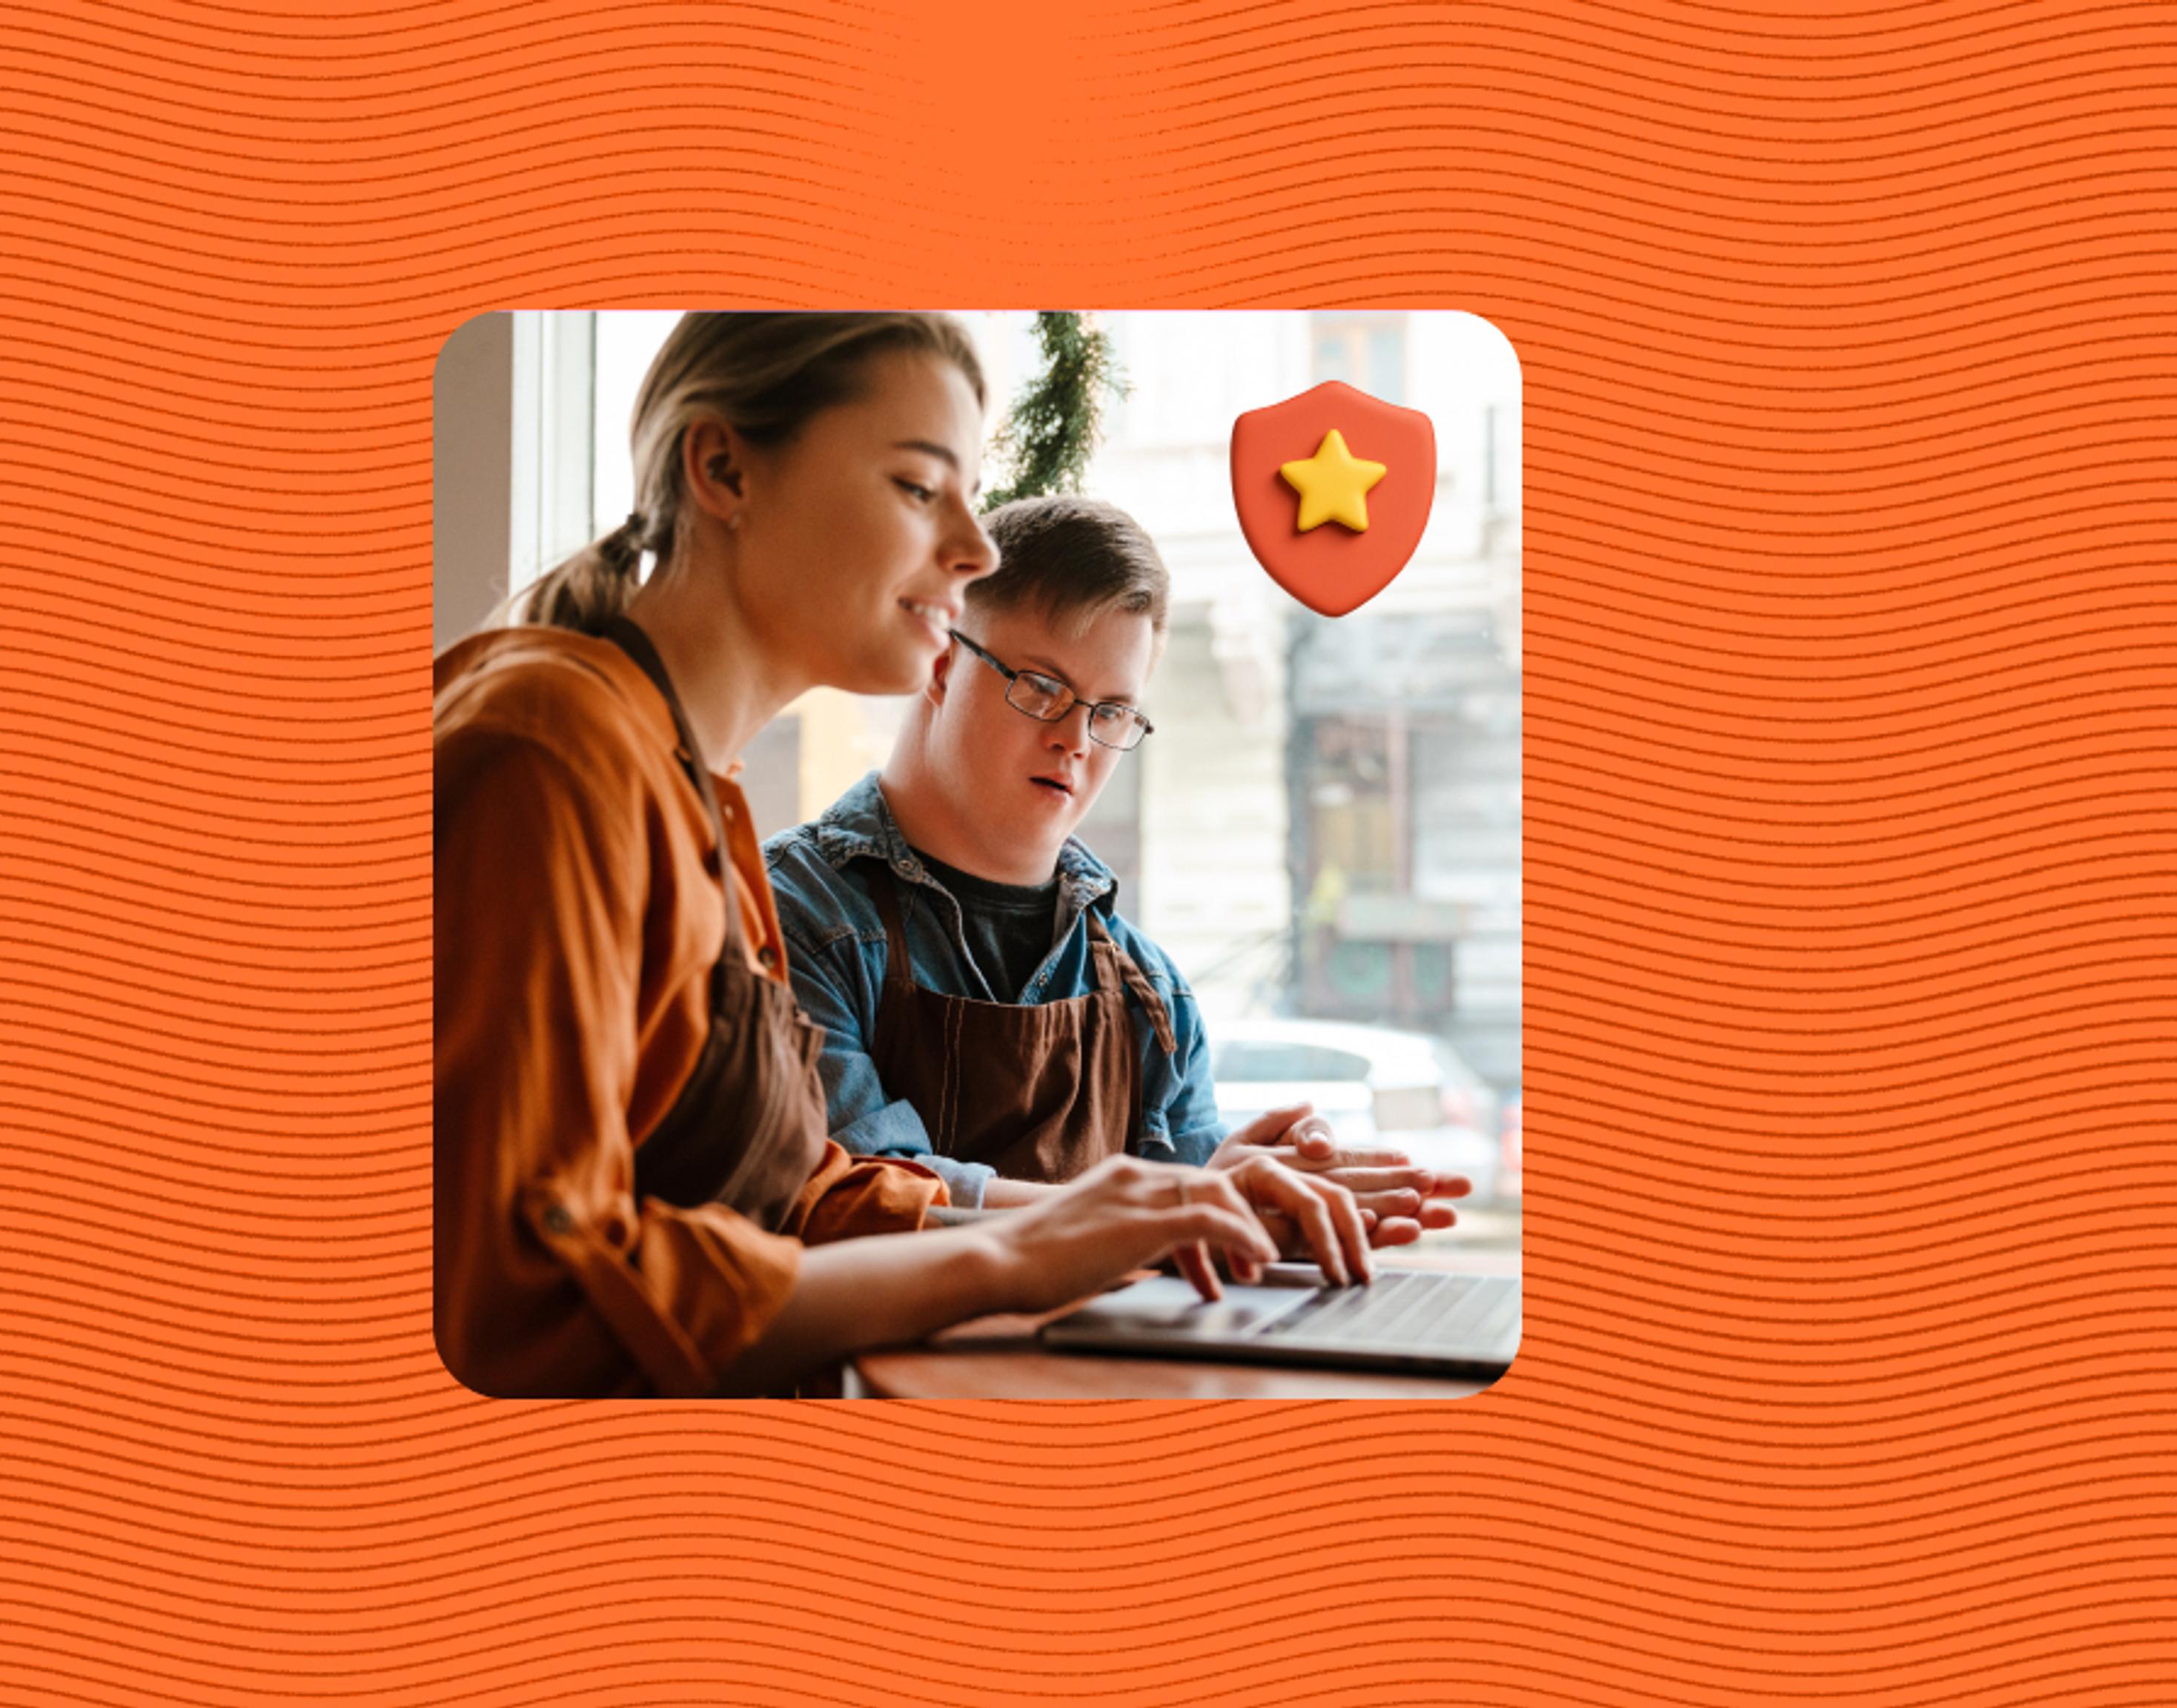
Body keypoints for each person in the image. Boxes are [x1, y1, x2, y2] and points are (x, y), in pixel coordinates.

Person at [434, 313, 1373, 1400]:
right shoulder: (550, 749)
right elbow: (519, 1292)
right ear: (725, 467)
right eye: (923, 488)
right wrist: (1008, 1256)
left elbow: (802, 1197)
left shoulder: (692, 788)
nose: (974, 551)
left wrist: (1139, 1207)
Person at [763, 494, 1474, 1228]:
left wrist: (1263, 1212)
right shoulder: (785, 917)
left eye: (1110, 712)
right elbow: (850, 1200)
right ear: (941, 664)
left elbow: (1191, 1233)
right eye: (1042, 687)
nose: (1076, 739)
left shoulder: (1154, 995)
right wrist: (1170, 1211)